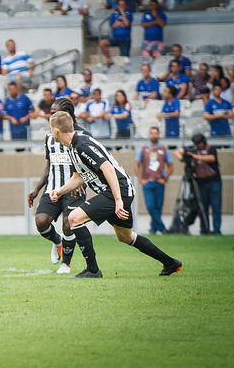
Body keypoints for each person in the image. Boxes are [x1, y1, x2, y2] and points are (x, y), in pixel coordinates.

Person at [48, 111, 182, 278]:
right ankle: (170, 263)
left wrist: (118, 200)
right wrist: (59, 191)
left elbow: (108, 168)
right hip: (115, 193)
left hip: (116, 192)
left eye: (51, 128)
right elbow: (79, 177)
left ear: (56, 131)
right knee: (126, 237)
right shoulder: (72, 148)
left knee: (73, 218)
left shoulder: (82, 144)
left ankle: (93, 270)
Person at [28, 97, 93, 274]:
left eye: (54, 113)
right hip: (53, 187)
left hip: (74, 189)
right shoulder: (50, 137)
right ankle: (57, 241)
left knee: (68, 224)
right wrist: (37, 189)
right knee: (41, 222)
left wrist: (83, 181)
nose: (50, 116)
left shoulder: (83, 136)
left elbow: (91, 163)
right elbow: (49, 165)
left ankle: (66, 264)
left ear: (67, 114)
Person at [174, 134, 222, 234]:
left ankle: (217, 230)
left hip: (214, 181)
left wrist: (196, 156)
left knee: (216, 206)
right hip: (201, 183)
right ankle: (204, 229)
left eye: (199, 143)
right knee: (202, 207)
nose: (198, 145)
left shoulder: (210, 148)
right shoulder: (193, 149)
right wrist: (181, 157)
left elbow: (212, 158)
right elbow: (178, 152)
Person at [135, 127, 174, 234]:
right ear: (149, 135)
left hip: (159, 182)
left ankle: (153, 228)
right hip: (147, 182)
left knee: (158, 207)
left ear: (159, 134)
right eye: (151, 133)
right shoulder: (143, 149)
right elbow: (136, 165)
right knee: (150, 206)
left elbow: (170, 166)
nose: (153, 135)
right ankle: (162, 227)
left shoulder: (164, 149)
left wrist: (165, 178)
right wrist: (141, 179)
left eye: (155, 133)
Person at [100, 0, 133, 65]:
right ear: (117, 6)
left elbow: (126, 24)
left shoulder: (129, 14)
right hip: (115, 38)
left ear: (126, 6)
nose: (121, 6)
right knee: (102, 43)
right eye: (120, 5)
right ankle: (110, 60)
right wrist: (122, 23)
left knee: (124, 61)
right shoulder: (114, 14)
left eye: (123, 5)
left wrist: (122, 14)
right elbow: (113, 26)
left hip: (125, 39)